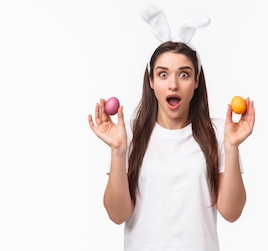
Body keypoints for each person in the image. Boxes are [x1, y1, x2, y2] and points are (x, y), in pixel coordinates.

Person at [87, 5, 256, 250]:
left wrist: (231, 147)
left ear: (197, 80)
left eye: (184, 74)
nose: (173, 85)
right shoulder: (129, 135)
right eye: (163, 74)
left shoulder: (219, 133)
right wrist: (118, 150)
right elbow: (117, 214)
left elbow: (232, 212)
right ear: (151, 81)